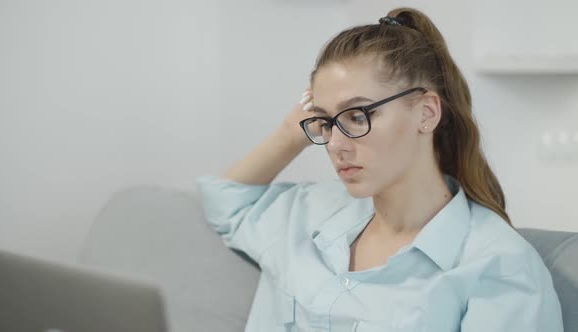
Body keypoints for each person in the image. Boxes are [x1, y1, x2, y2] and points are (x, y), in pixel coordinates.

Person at [196, 7, 563, 332]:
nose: (336, 144)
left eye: (357, 115)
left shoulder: (498, 267)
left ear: (426, 113)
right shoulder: (308, 211)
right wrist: (291, 133)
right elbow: (225, 201)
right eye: (325, 122)